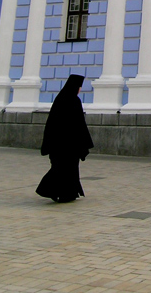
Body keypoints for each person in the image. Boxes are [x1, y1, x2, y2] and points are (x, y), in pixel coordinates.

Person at [36, 74, 94, 203]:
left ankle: (65, 193)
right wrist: (84, 143)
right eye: (79, 87)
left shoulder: (60, 99)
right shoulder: (74, 101)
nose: (80, 90)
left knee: (61, 168)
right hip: (70, 144)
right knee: (67, 169)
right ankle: (53, 191)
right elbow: (79, 124)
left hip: (58, 143)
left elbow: (51, 123)